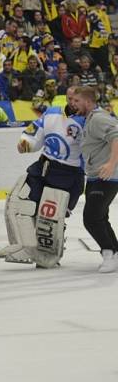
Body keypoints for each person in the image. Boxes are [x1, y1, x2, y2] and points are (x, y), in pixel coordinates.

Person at [0, 87, 84, 267]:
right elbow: (34, 133)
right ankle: (25, 246)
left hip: (68, 174)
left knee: (51, 216)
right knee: (21, 204)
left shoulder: (89, 120)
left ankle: (48, 254)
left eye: (77, 99)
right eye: (70, 98)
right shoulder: (52, 113)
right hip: (43, 166)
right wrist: (26, 143)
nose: (73, 103)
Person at [71, 86, 118, 273]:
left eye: (76, 101)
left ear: (88, 102)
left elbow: (117, 137)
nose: (73, 104)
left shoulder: (99, 118)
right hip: (94, 177)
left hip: (107, 176)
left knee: (91, 218)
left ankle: (108, 253)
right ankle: (115, 252)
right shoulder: (89, 119)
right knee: (100, 217)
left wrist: (111, 164)